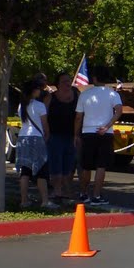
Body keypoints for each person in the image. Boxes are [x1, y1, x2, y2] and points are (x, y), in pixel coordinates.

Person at [74, 66, 123, 206]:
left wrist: (76, 134)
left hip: (88, 131)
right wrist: (107, 126)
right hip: (105, 132)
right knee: (101, 165)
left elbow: (78, 117)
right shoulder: (112, 94)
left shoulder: (85, 94)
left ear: (94, 78)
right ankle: (96, 195)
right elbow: (118, 111)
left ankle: (84, 194)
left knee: (86, 165)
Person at [17, 79, 56, 209]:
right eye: (39, 88)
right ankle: (45, 201)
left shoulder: (21, 105)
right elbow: (45, 125)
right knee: (41, 170)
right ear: (34, 90)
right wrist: (47, 136)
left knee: (25, 171)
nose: (40, 91)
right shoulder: (39, 106)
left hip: (23, 137)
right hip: (36, 138)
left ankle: (24, 200)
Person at [46, 73, 79, 202]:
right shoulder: (50, 98)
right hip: (54, 136)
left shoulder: (77, 96)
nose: (67, 83)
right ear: (58, 84)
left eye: (69, 81)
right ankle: (57, 190)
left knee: (69, 165)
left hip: (72, 136)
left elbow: (81, 115)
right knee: (55, 163)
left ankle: (67, 190)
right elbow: (43, 115)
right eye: (64, 81)